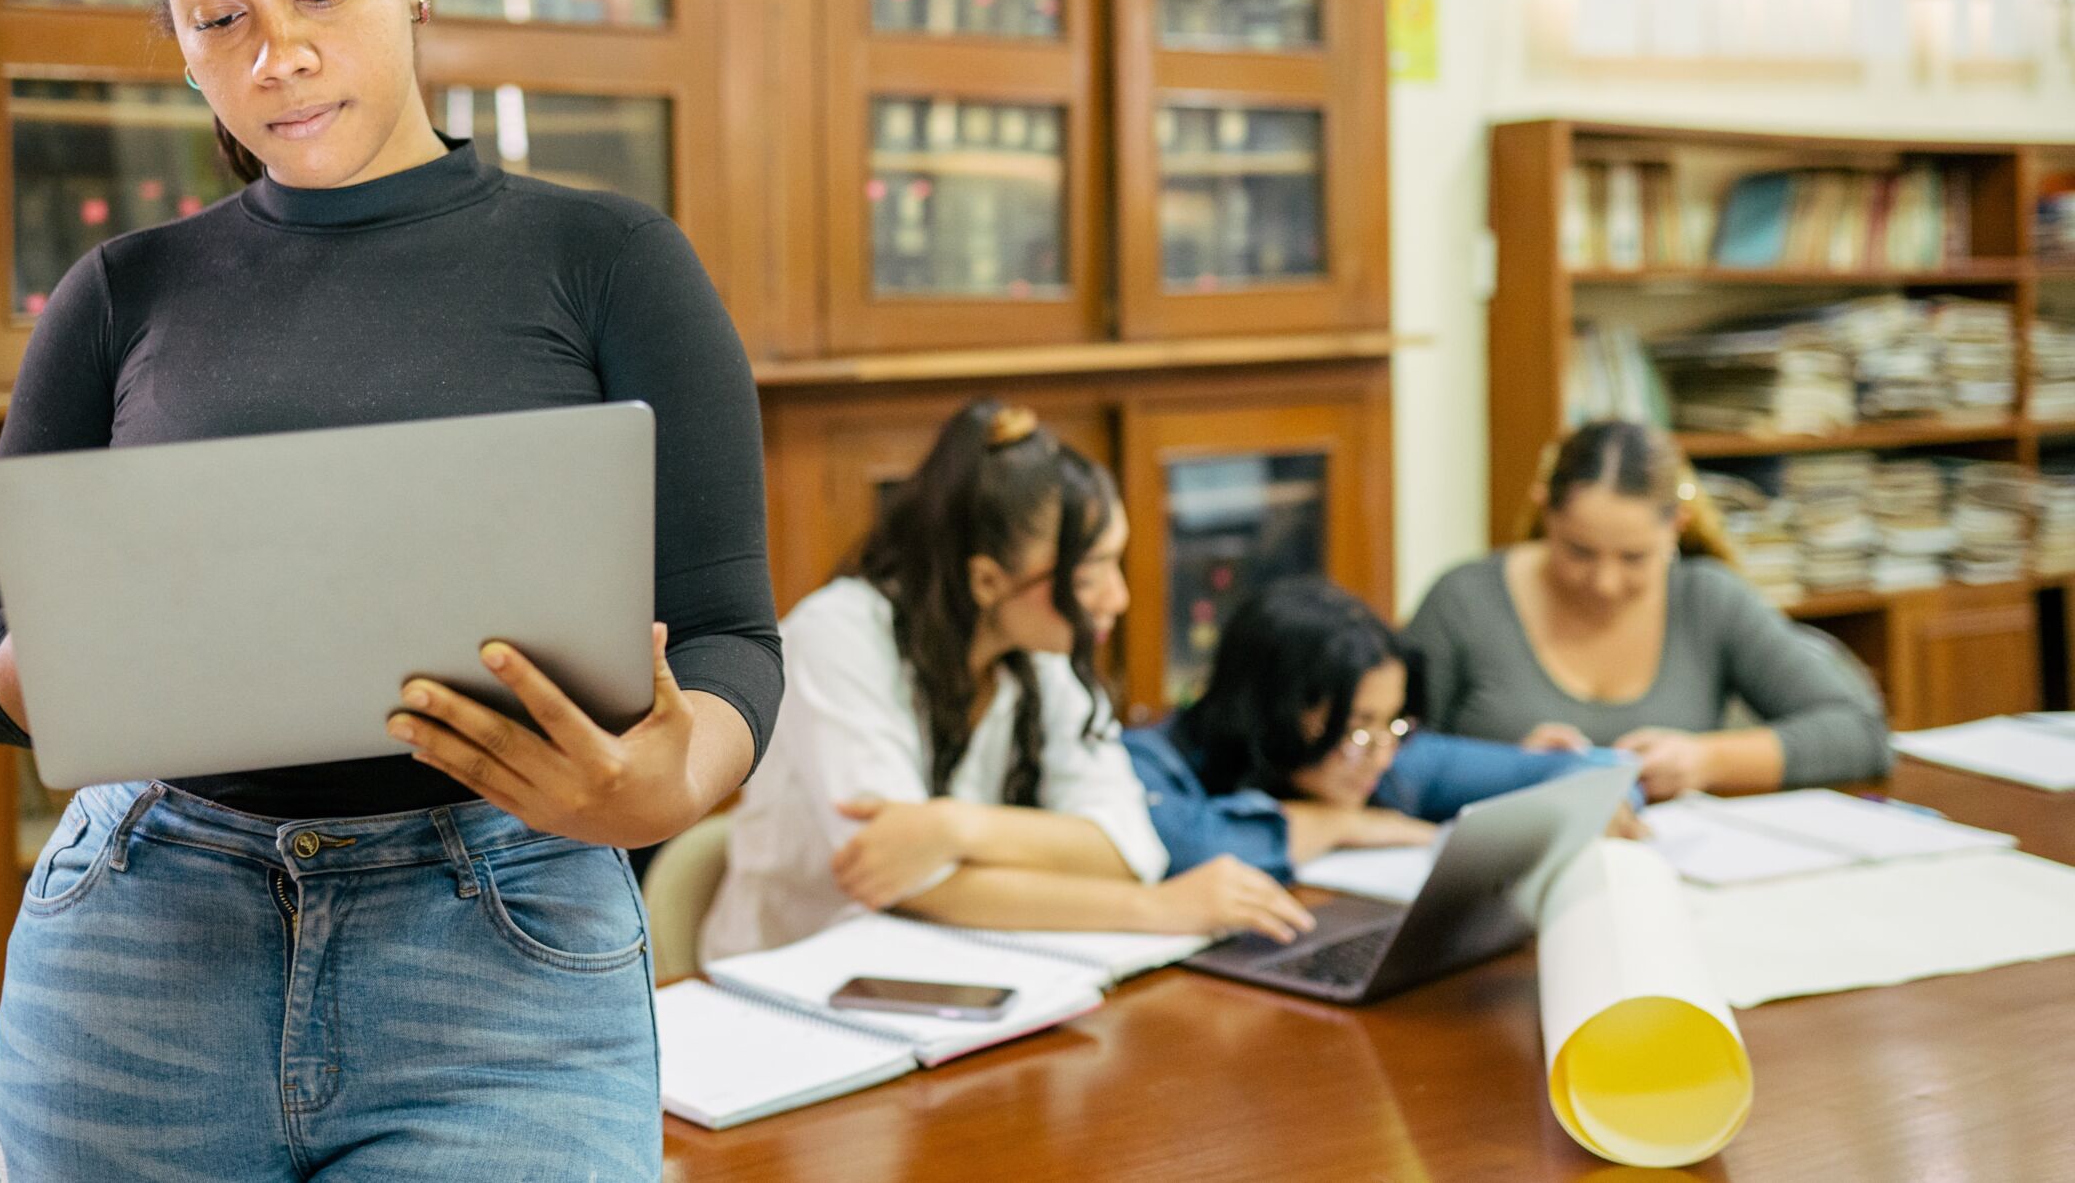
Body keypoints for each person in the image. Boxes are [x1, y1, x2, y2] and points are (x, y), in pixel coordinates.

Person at [0, 0, 781, 1181]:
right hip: (149, 923)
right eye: (217, 15)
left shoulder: (609, 263)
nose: (276, 53)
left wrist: (662, 780)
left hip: (501, 925)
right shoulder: (121, 293)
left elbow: (727, 635)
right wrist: (81, 659)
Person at [700, 400, 1314, 962]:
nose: (1118, 598)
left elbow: (1130, 847)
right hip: (793, 981)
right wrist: (1154, 910)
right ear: (988, 580)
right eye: (1089, 574)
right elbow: (896, 876)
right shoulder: (836, 636)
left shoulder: (1038, 648)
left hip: (964, 965)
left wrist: (954, 829)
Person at [1408, 420, 1890, 801]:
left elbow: (1858, 733)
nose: (1604, 583)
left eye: (1634, 558)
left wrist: (1705, 760)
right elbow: (1379, 757)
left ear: (1676, 528)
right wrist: (1509, 773)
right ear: (1545, 512)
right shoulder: (1464, 603)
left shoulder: (1707, 600)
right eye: (1578, 552)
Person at [1122, 576, 1618, 880]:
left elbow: (1596, 771)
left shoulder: (1390, 757)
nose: (1382, 756)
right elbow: (1183, 847)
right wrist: (1345, 823)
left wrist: (1582, 808)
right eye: (1356, 727)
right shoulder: (1146, 763)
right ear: (1273, 708)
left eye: (1395, 722)